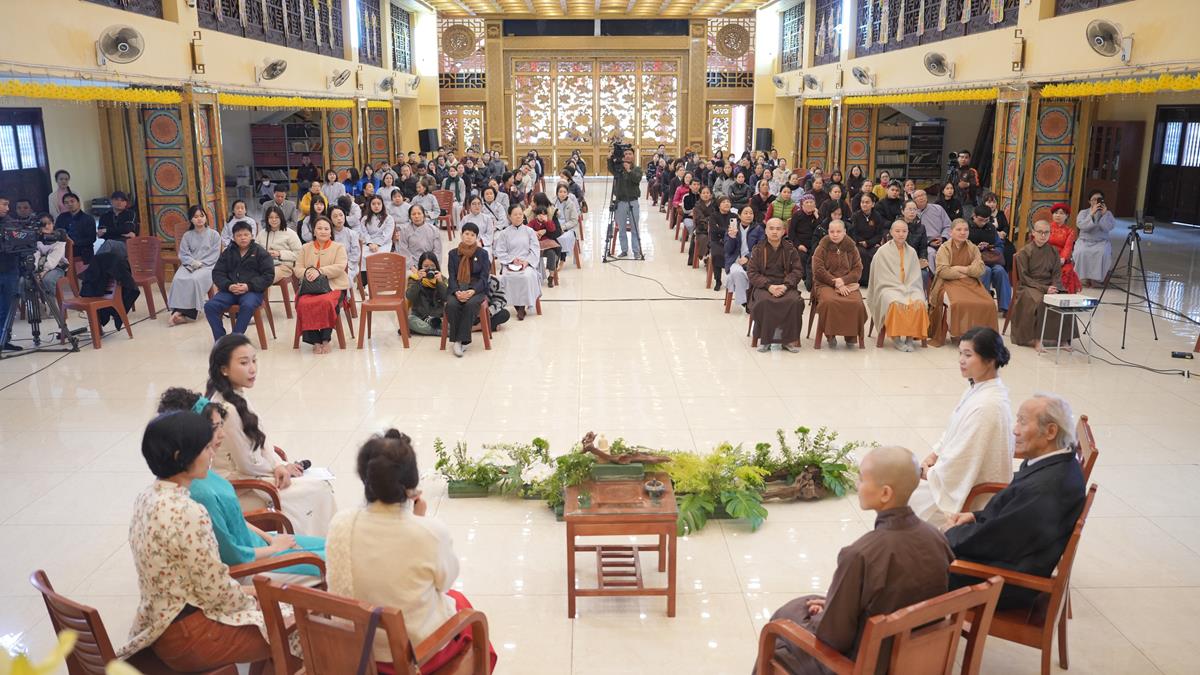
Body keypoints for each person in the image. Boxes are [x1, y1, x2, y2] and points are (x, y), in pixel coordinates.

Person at [753, 445, 954, 675]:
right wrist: (832, 606)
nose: (858, 485)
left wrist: (823, 617)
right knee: (806, 605)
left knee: (782, 623)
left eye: (862, 479)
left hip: (864, 666)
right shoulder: (937, 538)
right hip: (917, 659)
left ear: (885, 493)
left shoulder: (860, 555)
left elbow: (833, 638)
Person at [326, 430, 498, 672]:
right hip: (411, 657)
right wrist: (419, 520)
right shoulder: (429, 532)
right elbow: (445, 581)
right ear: (411, 484)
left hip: (356, 650)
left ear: (365, 477)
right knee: (464, 609)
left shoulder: (341, 523)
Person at [120, 409, 273, 672]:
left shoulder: (146, 497)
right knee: (299, 627)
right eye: (205, 448)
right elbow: (215, 591)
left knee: (278, 612)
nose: (212, 453)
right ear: (181, 457)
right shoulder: (189, 511)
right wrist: (257, 599)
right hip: (191, 636)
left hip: (158, 626)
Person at [157, 387, 325, 582]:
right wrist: (274, 549)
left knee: (337, 546)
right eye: (214, 428)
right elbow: (233, 556)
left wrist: (271, 539)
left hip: (261, 544)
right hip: (255, 565)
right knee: (341, 561)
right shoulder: (199, 494)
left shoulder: (201, 471)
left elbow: (237, 520)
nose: (222, 434)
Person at [945, 393, 1087, 610]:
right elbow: (1012, 521)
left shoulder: (1043, 489)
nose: (1015, 430)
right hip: (1012, 555)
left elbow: (994, 541)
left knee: (916, 565)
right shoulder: (1056, 461)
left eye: (1022, 421)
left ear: (1051, 431)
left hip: (1005, 581)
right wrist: (975, 516)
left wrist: (949, 535)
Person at [206, 334, 337, 535]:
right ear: (224, 369)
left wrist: (278, 464)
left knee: (317, 485)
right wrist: (279, 468)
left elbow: (261, 441)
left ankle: (322, 544)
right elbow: (247, 464)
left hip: (254, 475)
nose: (252, 368)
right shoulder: (227, 408)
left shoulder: (236, 395)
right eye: (244, 363)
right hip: (240, 486)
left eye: (254, 360)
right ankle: (318, 546)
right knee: (320, 489)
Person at [909, 327, 1014, 528]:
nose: (961, 360)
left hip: (972, 495)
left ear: (990, 360)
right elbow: (953, 431)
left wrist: (929, 473)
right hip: (956, 478)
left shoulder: (988, 406)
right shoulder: (978, 389)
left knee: (902, 502)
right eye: (960, 354)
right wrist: (934, 455)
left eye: (968, 355)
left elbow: (962, 460)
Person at [927, 220, 998, 347]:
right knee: (957, 303)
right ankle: (957, 333)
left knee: (989, 303)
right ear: (951, 232)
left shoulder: (973, 248)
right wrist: (966, 273)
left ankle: (981, 336)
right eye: (959, 230)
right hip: (948, 283)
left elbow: (980, 269)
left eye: (965, 230)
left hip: (971, 283)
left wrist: (960, 269)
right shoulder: (944, 248)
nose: (963, 232)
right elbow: (943, 271)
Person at [1010, 219, 1077, 351]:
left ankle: (1063, 338)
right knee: (1041, 301)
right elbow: (1024, 277)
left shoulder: (1053, 251)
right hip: (1029, 286)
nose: (1043, 235)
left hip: (1050, 285)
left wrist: (1055, 287)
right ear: (1033, 233)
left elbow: (1057, 274)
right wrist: (1045, 289)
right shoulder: (1025, 252)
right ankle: (1037, 339)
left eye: (1046, 232)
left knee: (1064, 300)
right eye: (1040, 232)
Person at [203, 222, 274, 340]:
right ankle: (221, 340)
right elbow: (217, 273)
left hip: (252, 291)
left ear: (252, 236)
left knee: (247, 305)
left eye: (246, 234)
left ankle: (235, 339)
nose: (243, 238)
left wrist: (248, 286)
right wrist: (229, 285)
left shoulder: (260, 252)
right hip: (229, 291)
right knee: (210, 306)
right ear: (233, 237)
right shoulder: (228, 252)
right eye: (239, 235)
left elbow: (268, 275)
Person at [867, 220, 929, 352]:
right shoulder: (882, 252)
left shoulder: (912, 252)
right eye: (897, 231)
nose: (901, 234)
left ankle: (910, 337)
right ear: (891, 232)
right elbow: (880, 277)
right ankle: (896, 338)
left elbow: (915, 276)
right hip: (888, 287)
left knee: (918, 302)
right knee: (895, 302)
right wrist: (898, 287)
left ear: (908, 233)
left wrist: (908, 287)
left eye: (904, 231)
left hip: (910, 287)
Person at [748, 218, 805, 353]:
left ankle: (787, 340)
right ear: (766, 231)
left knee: (794, 301)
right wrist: (769, 286)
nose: (774, 232)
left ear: (784, 231)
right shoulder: (758, 249)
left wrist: (785, 286)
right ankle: (766, 340)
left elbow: (798, 271)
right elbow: (752, 273)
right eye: (771, 228)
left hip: (786, 286)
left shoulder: (790, 249)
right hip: (764, 287)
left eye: (778, 229)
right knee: (765, 301)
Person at [294, 217, 348, 353]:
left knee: (326, 302)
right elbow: (297, 268)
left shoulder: (338, 247)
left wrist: (320, 271)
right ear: (314, 231)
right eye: (319, 228)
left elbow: (340, 266)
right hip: (310, 288)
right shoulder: (305, 248)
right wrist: (307, 272)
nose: (323, 231)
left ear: (331, 232)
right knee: (303, 303)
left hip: (334, 286)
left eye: (326, 229)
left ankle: (325, 339)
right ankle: (315, 341)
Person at [811, 220, 868, 347]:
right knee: (829, 302)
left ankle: (851, 336)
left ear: (844, 232)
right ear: (828, 232)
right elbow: (818, 270)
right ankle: (830, 335)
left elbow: (858, 269)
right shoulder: (821, 247)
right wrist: (835, 282)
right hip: (825, 284)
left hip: (848, 284)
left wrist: (843, 281)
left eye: (838, 231)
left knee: (856, 303)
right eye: (832, 232)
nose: (835, 234)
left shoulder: (852, 248)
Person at [168, 205, 222, 326]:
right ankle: (179, 312)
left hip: (208, 266)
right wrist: (192, 262)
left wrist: (202, 264)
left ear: (206, 217)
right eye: (196, 217)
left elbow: (215, 254)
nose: (199, 219)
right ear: (191, 219)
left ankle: (183, 314)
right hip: (189, 264)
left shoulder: (214, 234)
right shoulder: (187, 235)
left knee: (194, 279)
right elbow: (183, 254)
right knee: (178, 279)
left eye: (201, 216)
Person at [445, 223, 491, 357]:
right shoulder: (453, 254)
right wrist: (456, 291)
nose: (469, 237)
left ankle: (461, 341)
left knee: (470, 304)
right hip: (458, 287)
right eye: (466, 234)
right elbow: (451, 276)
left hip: (477, 289)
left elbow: (484, 278)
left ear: (476, 237)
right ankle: (458, 340)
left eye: (472, 235)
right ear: (461, 235)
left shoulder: (482, 254)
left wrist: (473, 291)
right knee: (452, 304)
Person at [494, 204, 541, 320]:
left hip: (526, 263)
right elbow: (500, 251)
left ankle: (522, 307)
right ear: (509, 216)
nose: (518, 216)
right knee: (506, 277)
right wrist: (512, 260)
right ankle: (517, 306)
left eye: (520, 214)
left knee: (526, 276)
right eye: (515, 214)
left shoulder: (530, 231)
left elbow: (535, 249)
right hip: (510, 263)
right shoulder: (504, 233)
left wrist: (526, 262)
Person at [968, 204, 1010, 315]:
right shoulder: (967, 227)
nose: (983, 223)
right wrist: (976, 248)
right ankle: (984, 305)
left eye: (986, 220)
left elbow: (999, 245)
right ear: (974, 216)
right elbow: (963, 247)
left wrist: (992, 249)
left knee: (1000, 271)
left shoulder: (991, 228)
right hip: (974, 260)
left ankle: (1005, 307)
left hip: (990, 258)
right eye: (980, 220)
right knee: (985, 270)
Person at [724, 206, 765, 312]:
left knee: (752, 274)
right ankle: (745, 301)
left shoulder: (758, 229)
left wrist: (748, 257)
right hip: (735, 260)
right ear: (739, 215)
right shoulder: (732, 228)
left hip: (753, 260)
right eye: (745, 213)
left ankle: (748, 300)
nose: (748, 215)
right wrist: (732, 237)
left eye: (751, 213)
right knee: (737, 272)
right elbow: (728, 250)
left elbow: (761, 247)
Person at [1074, 189, 1116, 287]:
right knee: (1081, 252)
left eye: (1099, 199)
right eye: (1094, 199)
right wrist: (1091, 214)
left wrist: (1104, 215)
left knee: (1103, 253)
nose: (1096, 201)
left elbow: (1108, 227)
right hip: (1084, 241)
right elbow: (1081, 226)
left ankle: (1098, 279)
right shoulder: (1083, 212)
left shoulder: (1108, 213)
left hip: (1101, 242)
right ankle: (1083, 278)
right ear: (1089, 201)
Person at [610, 146, 644, 258]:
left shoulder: (637, 169)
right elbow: (610, 168)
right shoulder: (618, 169)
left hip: (633, 201)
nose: (628, 156)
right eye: (626, 154)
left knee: (635, 228)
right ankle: (624, 250)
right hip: (620, 202)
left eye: (630, 154)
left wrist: (629, 170)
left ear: (633, 156)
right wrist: (610, 158)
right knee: (622, 228)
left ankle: (636, 251)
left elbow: (637, 179)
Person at [255, 204, 302, 285]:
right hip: (264, 265)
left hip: (283, 267)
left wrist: (280, 254)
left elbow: (299, 254)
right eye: (271, 217)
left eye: (277, 217)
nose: (274, 220)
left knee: (267, 276)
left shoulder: (290, 233)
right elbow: (254, 251)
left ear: (281, 218)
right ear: (267, 219)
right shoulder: (262, 233)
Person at [405, 252, 448, 336]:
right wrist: (418, 281)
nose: (429, 269)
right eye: (426, 266)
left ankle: (426, 330)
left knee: (453, 320)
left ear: (436, 266)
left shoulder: (441, 278)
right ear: (420, 267)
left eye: (432, 266)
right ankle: (440, 332)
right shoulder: (414, 279)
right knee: (409, 320)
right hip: (420, 317)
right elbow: (410, 297)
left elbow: (446, 297)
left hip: (438, 317)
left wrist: (440, 283)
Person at [849, 192, 885, 287]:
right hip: (858, 243)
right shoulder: (855, 216)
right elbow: (853, 233)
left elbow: (879, 234)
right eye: (862, 202)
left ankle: (875, 280)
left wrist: (869, 243)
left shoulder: (877, 216)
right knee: (862, 253)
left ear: (873, 204)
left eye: (867, 202)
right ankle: (862, 280)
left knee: (876, 252)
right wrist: (861, 242)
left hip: (872, 243)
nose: (864, 204)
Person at [360, 195, 397, 288]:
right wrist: (370, 243)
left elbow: (387, 234)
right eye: (373, 204)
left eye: (378, 204)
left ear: (382, 205)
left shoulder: (389, 218)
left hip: (384, 243)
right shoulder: (365, 219)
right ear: (370, 205)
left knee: (379, 256)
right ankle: (365, 283)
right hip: (369, 243)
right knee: (363, 256)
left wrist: (377, 244)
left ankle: (380, 282)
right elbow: (364, 233)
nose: (376, 206)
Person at [395, 203, 442, 274]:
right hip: (411, 263)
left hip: (430, 263)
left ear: (424, 215)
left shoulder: (434, 230)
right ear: (410, 217)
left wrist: (432, 266)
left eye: (419, 213)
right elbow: (403, 250)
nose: (416, 216)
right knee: (408, 275)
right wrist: (411, 266)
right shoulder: (404, 230)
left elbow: (437, 251)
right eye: (413, 214)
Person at [30, 214, 67, 299]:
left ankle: (53, 305)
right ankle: (36, 304)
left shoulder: (60, 238)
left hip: (57, 267)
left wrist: (44, 272)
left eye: (49, 223)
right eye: (43, 225)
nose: (47, 227)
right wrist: (37, 270)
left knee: (48, 280)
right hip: (39, 267)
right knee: (25, 280)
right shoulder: (36, 239)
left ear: (53, 224)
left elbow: (52, 262)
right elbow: (35, 257)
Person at [1048, 203, 1082, 293]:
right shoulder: (1047, 228)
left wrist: (1062, 259)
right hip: (1047, 255)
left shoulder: (1069, 231)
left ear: (1066, 216)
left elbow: (1068, 247)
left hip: (1061, 258)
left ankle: (1062, 293)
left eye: (1061, 213)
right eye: (1056, 213)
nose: (1058, 215)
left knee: (1067, 270)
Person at [914, 189, 952, 268]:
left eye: (923, 195)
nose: (921, 198)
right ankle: (935, 275)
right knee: (931, 254)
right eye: (918, 196)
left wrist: (943, 238)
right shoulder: (913, 213)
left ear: (926, 197)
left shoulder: (938, 209)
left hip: (943, 240)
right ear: (914, 200)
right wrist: (929, 242)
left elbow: (948, 226)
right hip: (926, 244)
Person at [708, 197, 738, 292]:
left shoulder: (734, 216)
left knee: (734, 254)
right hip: (717, 241)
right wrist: (727, 230)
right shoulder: (714, 216)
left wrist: (721, 229)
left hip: (731, 241)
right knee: (717, 254)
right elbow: (714, 230)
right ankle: (718, 280)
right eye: (724, 202)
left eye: (728, 202)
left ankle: (733, 280)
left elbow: (735, 230)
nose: (726, 204)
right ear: (719, 205)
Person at [54, 192, 95, 262]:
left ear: (78, 203)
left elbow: (91, 239)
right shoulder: (61, 217)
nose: (69, 204)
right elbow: (57, 232)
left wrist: (74, 242)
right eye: (66, 203)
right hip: (64, 248)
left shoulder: (88, 219)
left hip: (82, 250)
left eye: (72, 201)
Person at [529, 205, 562, 285]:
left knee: (552, 253)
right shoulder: (533, 222)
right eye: (540, 214)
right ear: (536, 215)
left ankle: (551, 276)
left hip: (547, 245)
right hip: (536, 247)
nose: (542, 216)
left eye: (544, 214)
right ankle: (533, 276)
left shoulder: (548, 222)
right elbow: (527, 229)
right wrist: (534, 232)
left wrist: (546, 221)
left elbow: (552, 229)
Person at [553, 183, 581, 263]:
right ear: (557, 193)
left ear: (567, 193)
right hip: (556, 226)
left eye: (565, 192)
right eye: (560, 192)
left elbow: (574, 220)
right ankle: (554, 259)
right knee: (552, 237)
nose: (562, 194)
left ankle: (562, 259)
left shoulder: (571, 204)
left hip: (569, 227)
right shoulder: (553, 203)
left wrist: (563, 227)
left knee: (563, 238)